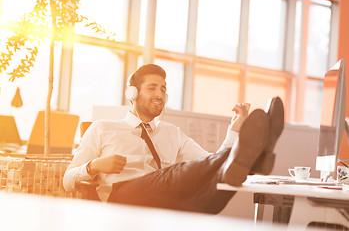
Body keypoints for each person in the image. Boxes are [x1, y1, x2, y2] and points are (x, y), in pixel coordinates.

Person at [63, 64, 284, 214]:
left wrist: (234, 131)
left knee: (212, 194)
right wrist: (94, 166)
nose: (160, 94)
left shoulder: (171, 132)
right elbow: (67, 180)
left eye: (163, 89)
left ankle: (254, 158)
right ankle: (258, 156)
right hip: (122, 199)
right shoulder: (103, 128)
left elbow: (210, 162)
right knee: (174, 173)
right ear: (132, 94)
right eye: (152, 88)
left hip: (162, 198)